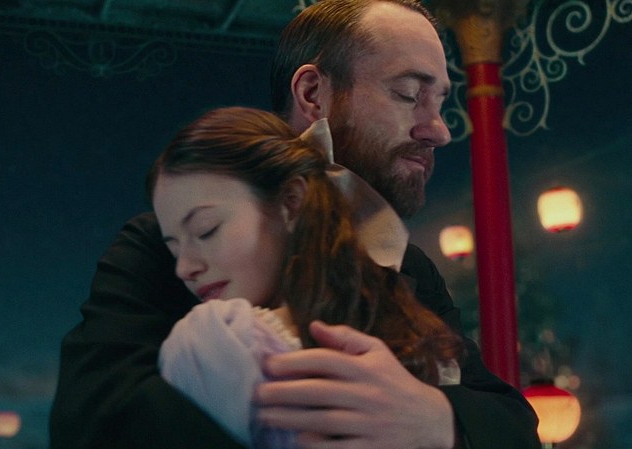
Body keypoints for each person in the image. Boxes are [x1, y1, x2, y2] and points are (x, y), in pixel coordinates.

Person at [50, 1, 541, 448]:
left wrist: (434, 419)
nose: (440, 130)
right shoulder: (160, 251)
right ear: (312, 93)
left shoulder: (408, 265)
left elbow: (511, 422)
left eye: (441, 102)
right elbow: (91, 424)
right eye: (409, 94)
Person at [150, 106, 464, 449]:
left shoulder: (217, 339)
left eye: (205, 230)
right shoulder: (213, 339)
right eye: (173, 248)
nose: (185, 268)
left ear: (291, 203)